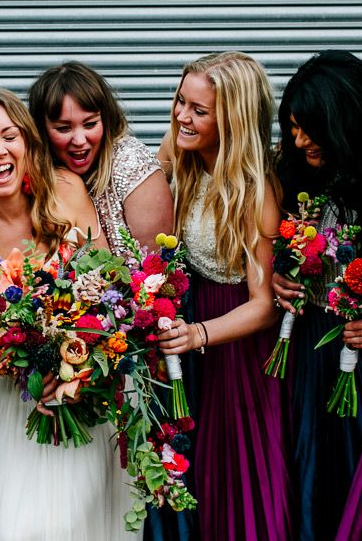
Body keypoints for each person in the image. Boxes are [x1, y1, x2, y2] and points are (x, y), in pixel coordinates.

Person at [0, 86, 140, 541]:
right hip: (15, 399)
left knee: (84, 522)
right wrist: (13, 356)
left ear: (27, 142)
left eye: (9, 135)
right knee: (20, 526)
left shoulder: (65, 189)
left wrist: (73, 362)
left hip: (87, 387)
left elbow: (111, 284)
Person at [157, 51, 292, 540]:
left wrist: (198, 334)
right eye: (180, 102)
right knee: (197, 474)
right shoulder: (178, 157)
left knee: (241, 471)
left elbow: (264, 305)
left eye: (198, 110)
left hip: (237, 346)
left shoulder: (257, 192)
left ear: (231, 119)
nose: (180, 117)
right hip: (190, 333)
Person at [271, 50, 362, 541]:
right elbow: (269, 243)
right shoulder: (293, 177)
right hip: (311, 347)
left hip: (356, 348)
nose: (300, 140)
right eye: (292, 127)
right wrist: (276, 276)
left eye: (310, 127)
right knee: (314, 469)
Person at [27, 61, 173, 253]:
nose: (79, 140)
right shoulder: (34, 172)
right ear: (41, 130)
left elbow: (157, 268)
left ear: (106, 119)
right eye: (63, 128)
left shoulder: (132, 165)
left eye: (90, 124)